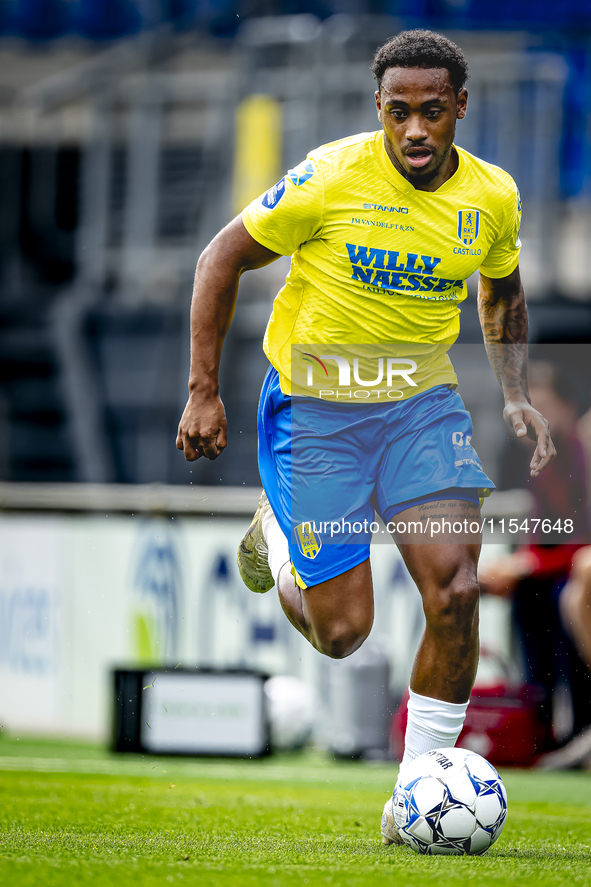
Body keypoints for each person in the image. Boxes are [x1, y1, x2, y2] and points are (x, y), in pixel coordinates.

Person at [176, 30, 555, 844]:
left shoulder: (491, 196)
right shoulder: (329, 176)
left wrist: (516, 393)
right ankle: (276, 537)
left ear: (459, 105)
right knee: (342, 632)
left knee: (454, 590)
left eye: (429, 112)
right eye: (396, 113)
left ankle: (412, 792)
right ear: (375, 109)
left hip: (420, 408)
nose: (413, 131)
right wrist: (203, 390)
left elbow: (501, 295)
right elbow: (219, 259)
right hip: (316, 409)